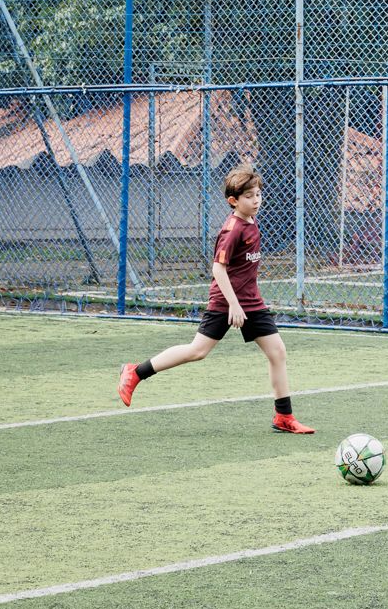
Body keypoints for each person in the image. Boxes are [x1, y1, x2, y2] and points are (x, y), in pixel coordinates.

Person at [117, 164, 315, 434]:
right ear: (233, 201)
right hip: (226, 302)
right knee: (198, 351)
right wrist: (233, 304)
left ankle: (283, 416)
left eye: (258, 194)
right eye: (249, 196)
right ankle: (135, 372)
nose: (256, 200)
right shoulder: (232, 230)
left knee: (277, 352)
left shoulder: (251, 220)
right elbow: (218, 269)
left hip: (251, 302)